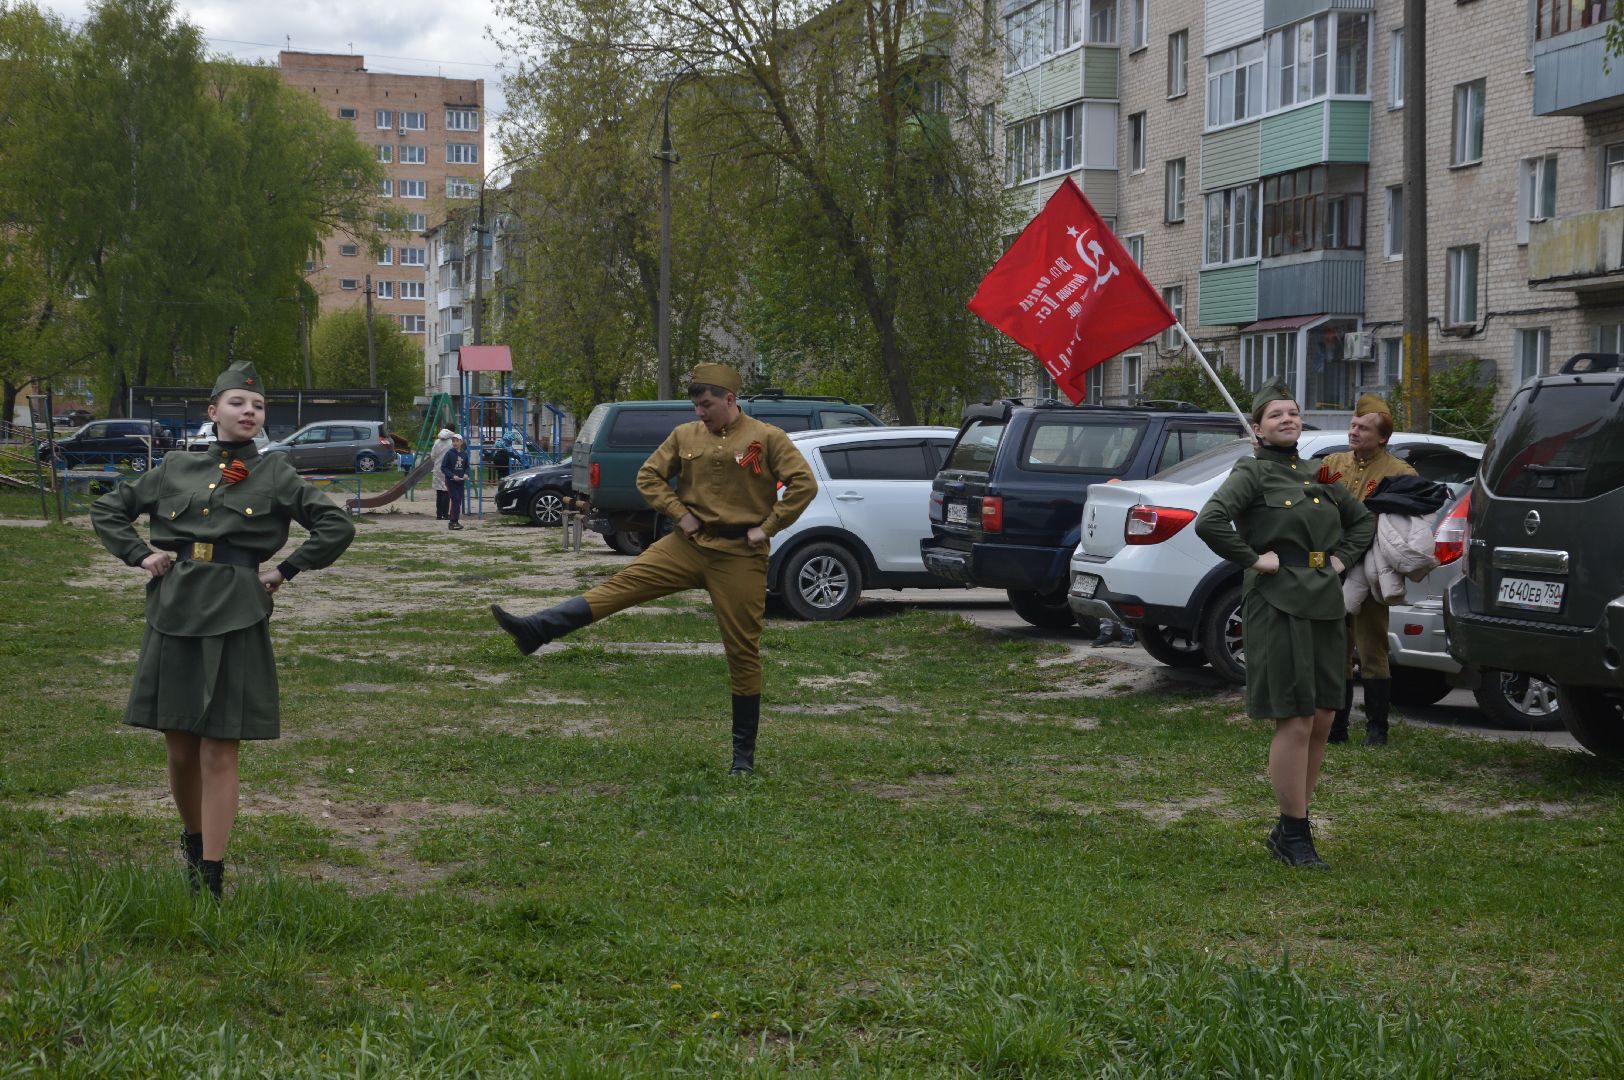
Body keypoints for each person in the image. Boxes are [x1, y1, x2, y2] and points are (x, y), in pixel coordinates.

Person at [89, 362, 355, 899]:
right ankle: (192, 846)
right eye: (237, 403)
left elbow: (336, 525)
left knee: (220, 747)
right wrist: (141, 555)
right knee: (180, 746)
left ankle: (211, 874)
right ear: (214, 412)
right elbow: (109, 509)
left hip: (237, 610)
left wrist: (283, 570)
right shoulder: (175, 467)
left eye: (256, 406)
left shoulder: (277, 475)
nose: (248, 412)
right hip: (175, 606)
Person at [490, 363, 818, 775]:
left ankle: (742, 758)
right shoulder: (684, 436)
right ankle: (537, 629)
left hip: (739, 553)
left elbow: (804, 483)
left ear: (729, 400)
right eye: (696, 405)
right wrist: (680, 514)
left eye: (707, 404)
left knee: (742, 650)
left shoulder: (768, 438)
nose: (700, 412)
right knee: (622, 586)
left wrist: (767, 527)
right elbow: (650, 476)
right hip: (689, 544)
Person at [1194, 385, 1374, 869]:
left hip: (1323, 600)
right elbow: (1210, 521)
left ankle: (1292, 822)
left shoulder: (1319, 472)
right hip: (1277, 602)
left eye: (1293, 413)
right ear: (1258, 427)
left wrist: (1339, 561)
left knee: (1321, 718)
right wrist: (1254, 559)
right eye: (1276, 414)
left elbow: (1362, 523)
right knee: (1294, 717)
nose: (1288, 419)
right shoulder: (1251, 471)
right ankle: (1295, 833)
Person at [1318, 395, 1417, 746]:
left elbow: (1408, 520)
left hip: (1373, 570)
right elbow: (1316, 500)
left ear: (1382, 438)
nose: (1354, 432)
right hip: (1334, 564)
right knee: (1336, 647)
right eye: (1353, 426)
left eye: (1363, 428)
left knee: (1372, 646)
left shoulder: (1399, 472)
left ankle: (1377, 729)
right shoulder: (1332, 463)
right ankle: (1337, 727)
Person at [442, 433, 470, 531]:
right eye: (453, 441)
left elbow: (467, 467)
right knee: (456, 500)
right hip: (451, 481)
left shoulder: (464, 454)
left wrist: (466, 474)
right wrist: (452, 475)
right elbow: (443, 467)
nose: (455, 443)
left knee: (458, 501)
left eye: (457, 441)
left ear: (461, 442)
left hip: (460, 482)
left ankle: (454, 521)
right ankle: (453, 522)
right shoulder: (449, 453)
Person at [429, 427, 455, 520]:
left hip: (437, 468)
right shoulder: (452, 442)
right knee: (446, 491)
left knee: (439, 492)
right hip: (447, 469)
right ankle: (445, 513)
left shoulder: (437, 442)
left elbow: (432, 456)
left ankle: (438, 515)